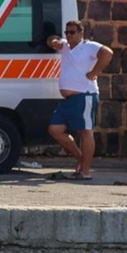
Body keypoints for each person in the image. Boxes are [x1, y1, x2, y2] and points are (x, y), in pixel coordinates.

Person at [46, 20, 113, 181]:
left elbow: (108, 53)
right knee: (54, 129)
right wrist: (54, 41)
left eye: (72, 32)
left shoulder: (88, 46)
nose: (68, 35)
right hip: (69, 100)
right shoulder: (65, 46)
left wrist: (94, 72)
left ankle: (85, 171)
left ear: (81, 33)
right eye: (66, 32)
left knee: (86, 132)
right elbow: (50, 40)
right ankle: (80, 158)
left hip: (84, 95)